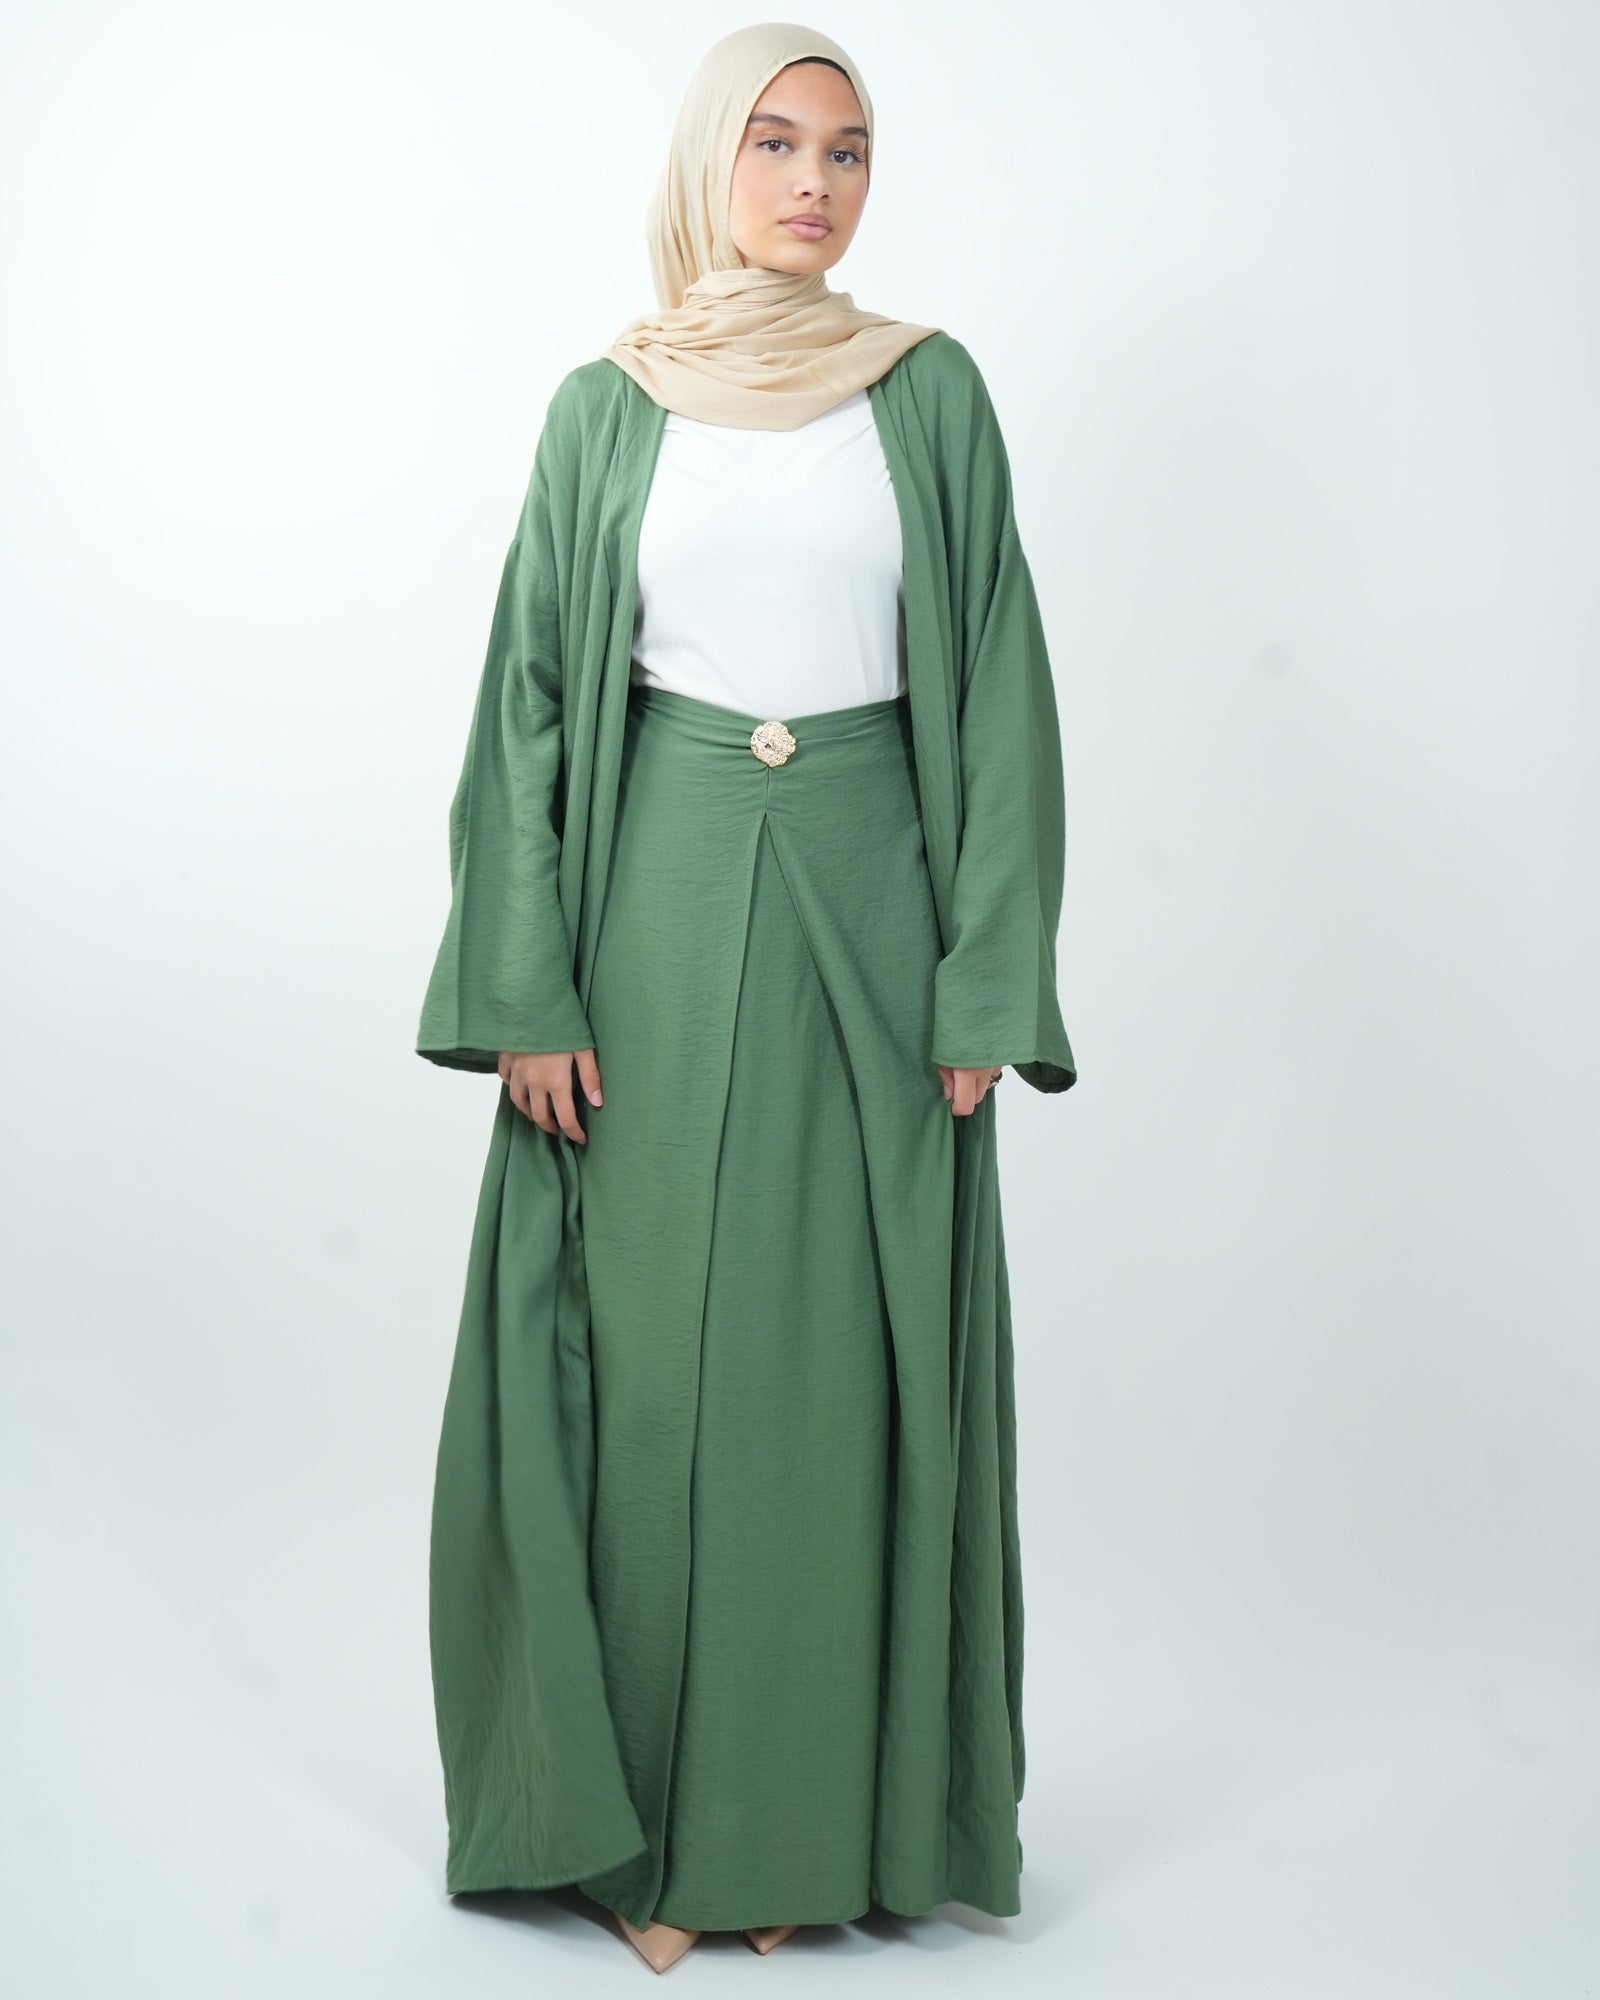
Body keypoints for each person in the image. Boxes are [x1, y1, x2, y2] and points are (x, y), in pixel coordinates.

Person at [415, 19, 1078, 1975]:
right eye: (776, 142)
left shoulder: (927, 391)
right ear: (710, 159)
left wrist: (985, 983)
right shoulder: (603, 408)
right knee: (648, 1361)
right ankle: (641, 1838)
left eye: (847, 150)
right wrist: (527, 982)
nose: (813, 182)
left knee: (841, 1368)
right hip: (660, 903)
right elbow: (533, 702)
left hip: (878, 905)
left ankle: (815, 1830)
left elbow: (1000, 686)